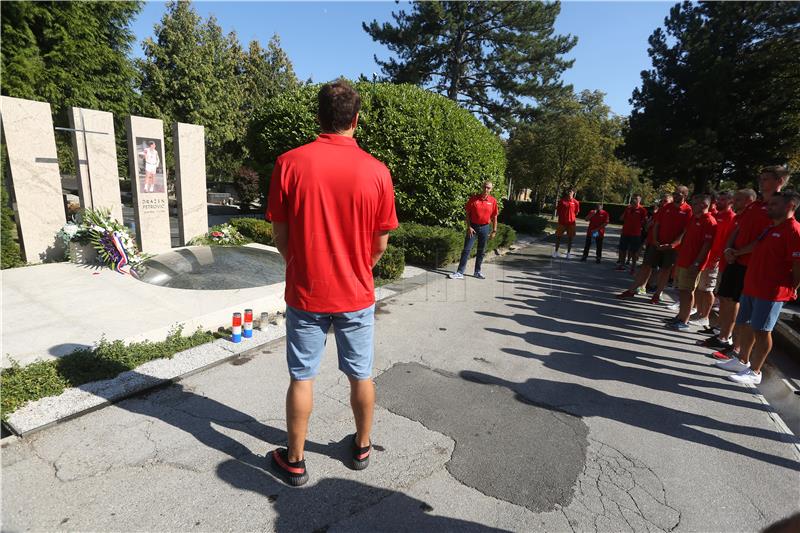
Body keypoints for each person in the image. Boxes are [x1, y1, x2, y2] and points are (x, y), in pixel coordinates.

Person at [266, 79, 398, 486]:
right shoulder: (377, 172)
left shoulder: (289, 163)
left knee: (302, 376)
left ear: (319, 117)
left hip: (306, 291)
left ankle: (295, 459)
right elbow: (380, 245)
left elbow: (281, 236)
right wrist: (358, 268)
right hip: (356, 293)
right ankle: (361, 447)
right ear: (355, 120)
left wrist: (300, 265)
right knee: (361, 374)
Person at [702, 166, 789, 357]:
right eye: (761, 178)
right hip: (735, 260)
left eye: (766, 179)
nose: (761, 182)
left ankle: (735, 345)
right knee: (725, 299)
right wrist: (729, 248)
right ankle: (723, 336)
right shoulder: (754, 205)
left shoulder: (777, 207)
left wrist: (739, 251)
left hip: (751, 264)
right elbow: (738, 228)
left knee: (738, 304)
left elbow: (763, 238)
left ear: (779, 181)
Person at [717, 190, 800, 385]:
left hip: (771, 291)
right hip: (753, 285)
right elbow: (755, 246)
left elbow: (798, 265)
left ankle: (755, 371)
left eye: (774, 205)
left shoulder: (794, 231)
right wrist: (736, 252)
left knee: (762, 330)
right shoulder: (771, 227)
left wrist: (793, 287)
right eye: (770, 204)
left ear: (790, 206)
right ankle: (742, 360)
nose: (769, 207)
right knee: (745, 324)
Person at [617, 186, 692, 303]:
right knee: (646, 266)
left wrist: (673, 244)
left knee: (665, 270)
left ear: (685, 195)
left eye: (679, 194)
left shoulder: (688, 210)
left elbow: (685, 231)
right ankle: (631, 290)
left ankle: (657, 295)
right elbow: (656, 225)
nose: (676, 195)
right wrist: (655, 240)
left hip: (672, 247)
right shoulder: (666, 207)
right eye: (675, 193)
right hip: (656, 243)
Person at [665, 194, 717, 331]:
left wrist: (696, 263)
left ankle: (684, 320)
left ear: (704, 205)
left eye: (695, 203)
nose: (692, 206)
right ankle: (680, 316)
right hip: (684, 260)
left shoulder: (710, 222)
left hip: (692, 263)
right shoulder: (694, 218)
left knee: (688, 291)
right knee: (682, 290)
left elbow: (706, 246)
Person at [688, 190, 736, 329]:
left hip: (716, 259)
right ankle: (699, 312)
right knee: (701, 287)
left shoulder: (731, 218)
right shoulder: (715, 215)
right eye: (719, 199)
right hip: (705, 257)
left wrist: (718, 257)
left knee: (708, 288)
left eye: (723, 200)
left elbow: (728, 241)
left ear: (730, 202)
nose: (719, 202)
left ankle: (705, 317)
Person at [449, 181, 498, 279]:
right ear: (482, 187)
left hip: (485, 228)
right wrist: (469, 227)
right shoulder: (473, 199)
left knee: (481, 251)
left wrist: (494, 230)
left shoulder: (493, 201)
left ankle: (477, 272)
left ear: (491, 189)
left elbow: (495, 216)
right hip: (473, 228)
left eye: (488, 188)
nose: (486, 189)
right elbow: (467, 214)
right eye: (484, 187)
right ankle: (460, 272)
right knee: (466, 250)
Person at [617, 195, 648, 272]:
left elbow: (645, 221)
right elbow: (621, 218)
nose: (634, 200)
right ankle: (622, 265)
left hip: (635, 234)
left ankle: (633, 267)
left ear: (639, 200)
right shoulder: (628, 208)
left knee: (633, 251)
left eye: (636, 199)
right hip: (625, 232)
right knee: (623, 249)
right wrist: (627, 210)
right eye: (634, 199)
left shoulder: (642, 210)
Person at [552, 188, 580, 259]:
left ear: (573, 193)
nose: (569, 192)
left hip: (571, 223)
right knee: (558, 237)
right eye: (568, 191)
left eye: (571, 191)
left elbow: (576, 212)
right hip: (562, 222)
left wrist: (571, 217)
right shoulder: (562, 201)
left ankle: (568, 253)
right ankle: (556, 252)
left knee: (570, 239)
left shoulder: (576, 202)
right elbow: (558, 211)